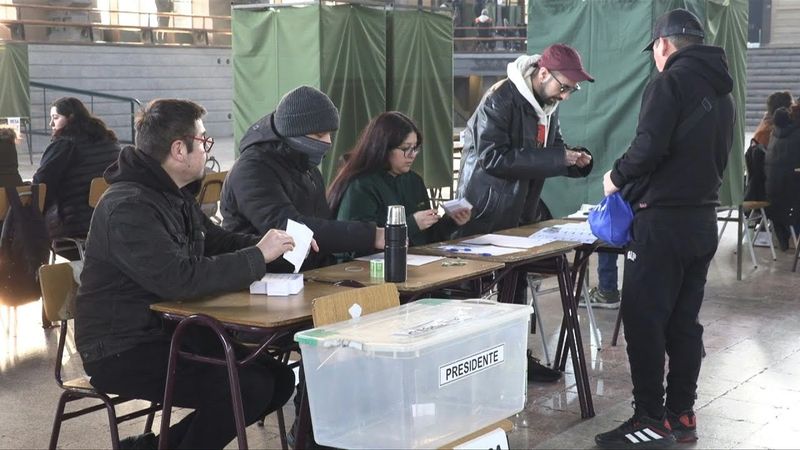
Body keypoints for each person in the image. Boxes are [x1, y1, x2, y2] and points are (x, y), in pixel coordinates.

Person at [75, 99, 304, 449]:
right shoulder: (128, 206)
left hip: (166, 331)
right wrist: (258, 255)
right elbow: (179, 279)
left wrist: (277, 247)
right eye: (204, 141)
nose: (207, 149)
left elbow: (215, 242)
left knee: (278, 379)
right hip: (120, 347)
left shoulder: (171, 195)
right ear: (179, 149)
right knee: (249, 386)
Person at [595, 9, 735, 448]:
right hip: (701, 220)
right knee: (683, 323)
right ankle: (682, 415)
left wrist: (615, 177)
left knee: (643, 320)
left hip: (662, 224)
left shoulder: (668, 83)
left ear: (663, 45)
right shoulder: (722, 93)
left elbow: (648, 146)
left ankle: (649, 420)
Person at [455, 43, 594, 382]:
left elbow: (553, 146)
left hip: (521, 210)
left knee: (516, 287)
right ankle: (475, 363)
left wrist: (574, 160)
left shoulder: (547, 104)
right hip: (486, 210)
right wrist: (557, 159)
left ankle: (516, 357)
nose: (566, 96)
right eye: (564, 87)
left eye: (571, 90)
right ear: (543, 73)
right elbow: (493, 158)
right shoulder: (500, 99)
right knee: (477, 291)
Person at [220, 85, 384, 270]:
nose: (328, 142)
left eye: (330, 134)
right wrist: (371, 235)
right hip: (264, 283)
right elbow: (291, 229)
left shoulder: (306, 166)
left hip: (306, 276)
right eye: (319, 134)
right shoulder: (251, 170)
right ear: (294, 133)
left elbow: (321, 226)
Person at [328, 111, 471, 246]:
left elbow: (427, 238)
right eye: (405, 148)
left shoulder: (414, 181)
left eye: (415, 148)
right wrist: (412, 224)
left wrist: (450, 221)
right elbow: (355, 243)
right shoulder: (360, 186)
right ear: (383, 147)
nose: (412, 154)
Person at [32, 97, 121, 260]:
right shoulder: (110, 141)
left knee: (27, 220)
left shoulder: (64, 144)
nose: (51, 124)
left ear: (71, 117)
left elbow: (41, 184)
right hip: (112, 217)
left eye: (56, 118)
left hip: (75, 223)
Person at [765, 103, 800, 251]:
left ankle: (785, 236)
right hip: (790, 192)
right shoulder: (797, 134)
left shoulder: (773, 134)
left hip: (771, 191)